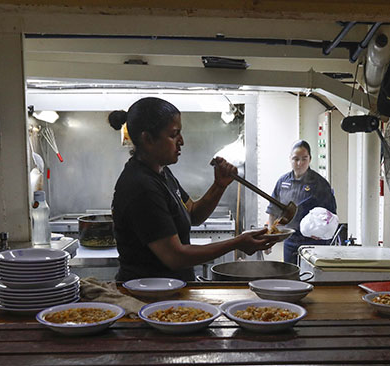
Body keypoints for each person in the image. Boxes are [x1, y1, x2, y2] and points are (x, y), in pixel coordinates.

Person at [109, 97, 277, 282]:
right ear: (147, 139)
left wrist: (219, 185)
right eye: (173, 135)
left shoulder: (162, 173)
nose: (181, 141)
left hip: (169, 292)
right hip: (147, 297)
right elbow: (176, 257)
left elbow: (193, 214)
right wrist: (238, 243)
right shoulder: (141, 186)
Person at [267, 140, 337, 264]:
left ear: (310, 159)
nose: (299, 163)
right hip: (290, 240)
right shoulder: (283, 182)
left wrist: (323, 233)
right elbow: (273, 211)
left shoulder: (320, 184)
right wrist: (269, 239)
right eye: (295, 159)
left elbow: (331, 215)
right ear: (290, 159)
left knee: (311, 277)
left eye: (304, 159)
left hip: (314, 243)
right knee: (291, 275)